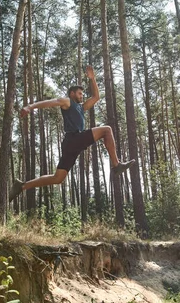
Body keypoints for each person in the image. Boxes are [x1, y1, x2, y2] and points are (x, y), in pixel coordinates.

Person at [8, 65, 135, 201]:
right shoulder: (67, 102)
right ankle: (116, 165)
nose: (82, 96)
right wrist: (30, 106)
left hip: (71, 145)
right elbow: (51, 102)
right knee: (106, 130)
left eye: (82, 94)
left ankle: (22, 186)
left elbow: (96, 97)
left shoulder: (81, 107)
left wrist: (92, 79)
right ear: (72, 94)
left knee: (57, 178)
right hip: (73, 139)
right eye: (79, 93)